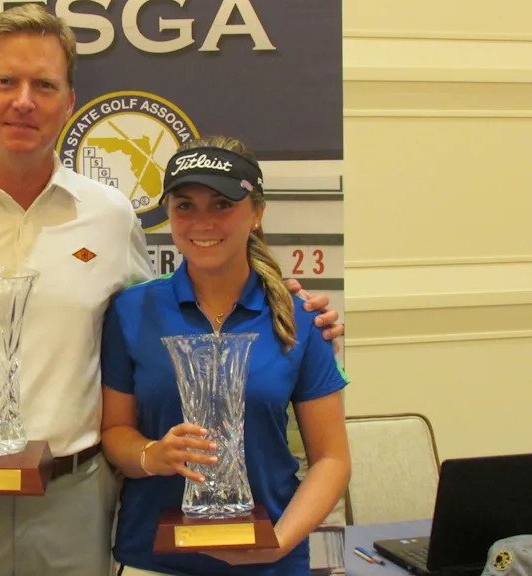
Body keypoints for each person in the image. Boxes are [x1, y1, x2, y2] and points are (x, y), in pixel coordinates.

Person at [0, 4, 344, 576]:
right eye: (5, 82)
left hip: (76, 508)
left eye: (44, 85)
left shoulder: (109, 215)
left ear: (68, 103)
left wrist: (283, 303)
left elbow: (166, 312)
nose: (24, 101)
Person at [101, 136, 351, 576]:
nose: (203, 222)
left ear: (257, 213)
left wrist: (277, 544)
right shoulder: (131, 311)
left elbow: (332, 459)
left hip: (272, 561)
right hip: (156, 559)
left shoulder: (299, 317)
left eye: (222, 204)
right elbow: (115, 432)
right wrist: (152, 454)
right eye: (185, 206)